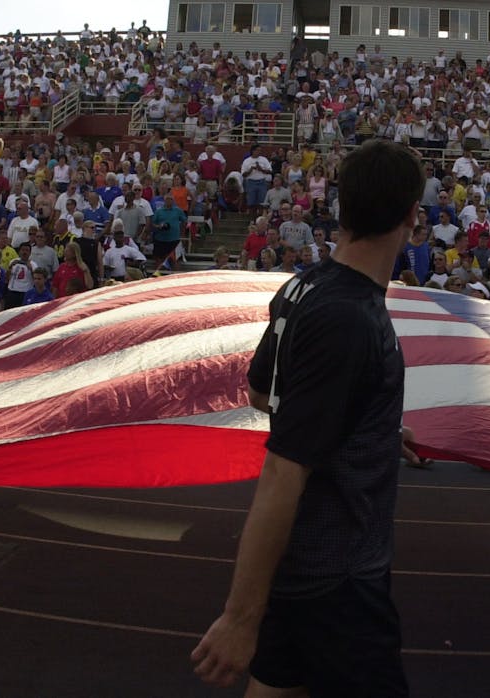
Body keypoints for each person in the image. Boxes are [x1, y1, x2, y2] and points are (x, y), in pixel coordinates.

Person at [191, 139, 421, 696]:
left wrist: (365, 426)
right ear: (412, 217)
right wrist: (240, 617)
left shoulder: (302, 285)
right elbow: (282, 469)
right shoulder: (351, 318)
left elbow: (259, 392)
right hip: (337, 579)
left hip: (300, 571)